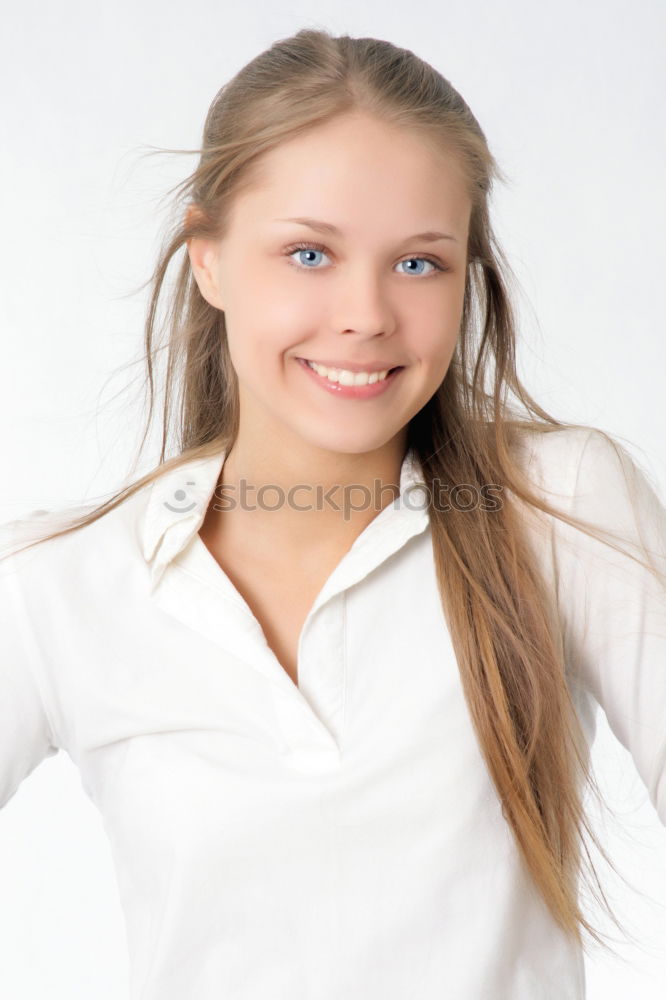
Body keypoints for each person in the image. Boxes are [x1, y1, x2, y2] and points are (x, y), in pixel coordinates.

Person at [1, 27, 664, 1000]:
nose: (365, 313)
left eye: (418, 264)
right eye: (309, 252)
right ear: (209, 260)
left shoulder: (557, 506)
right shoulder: (61, 585)